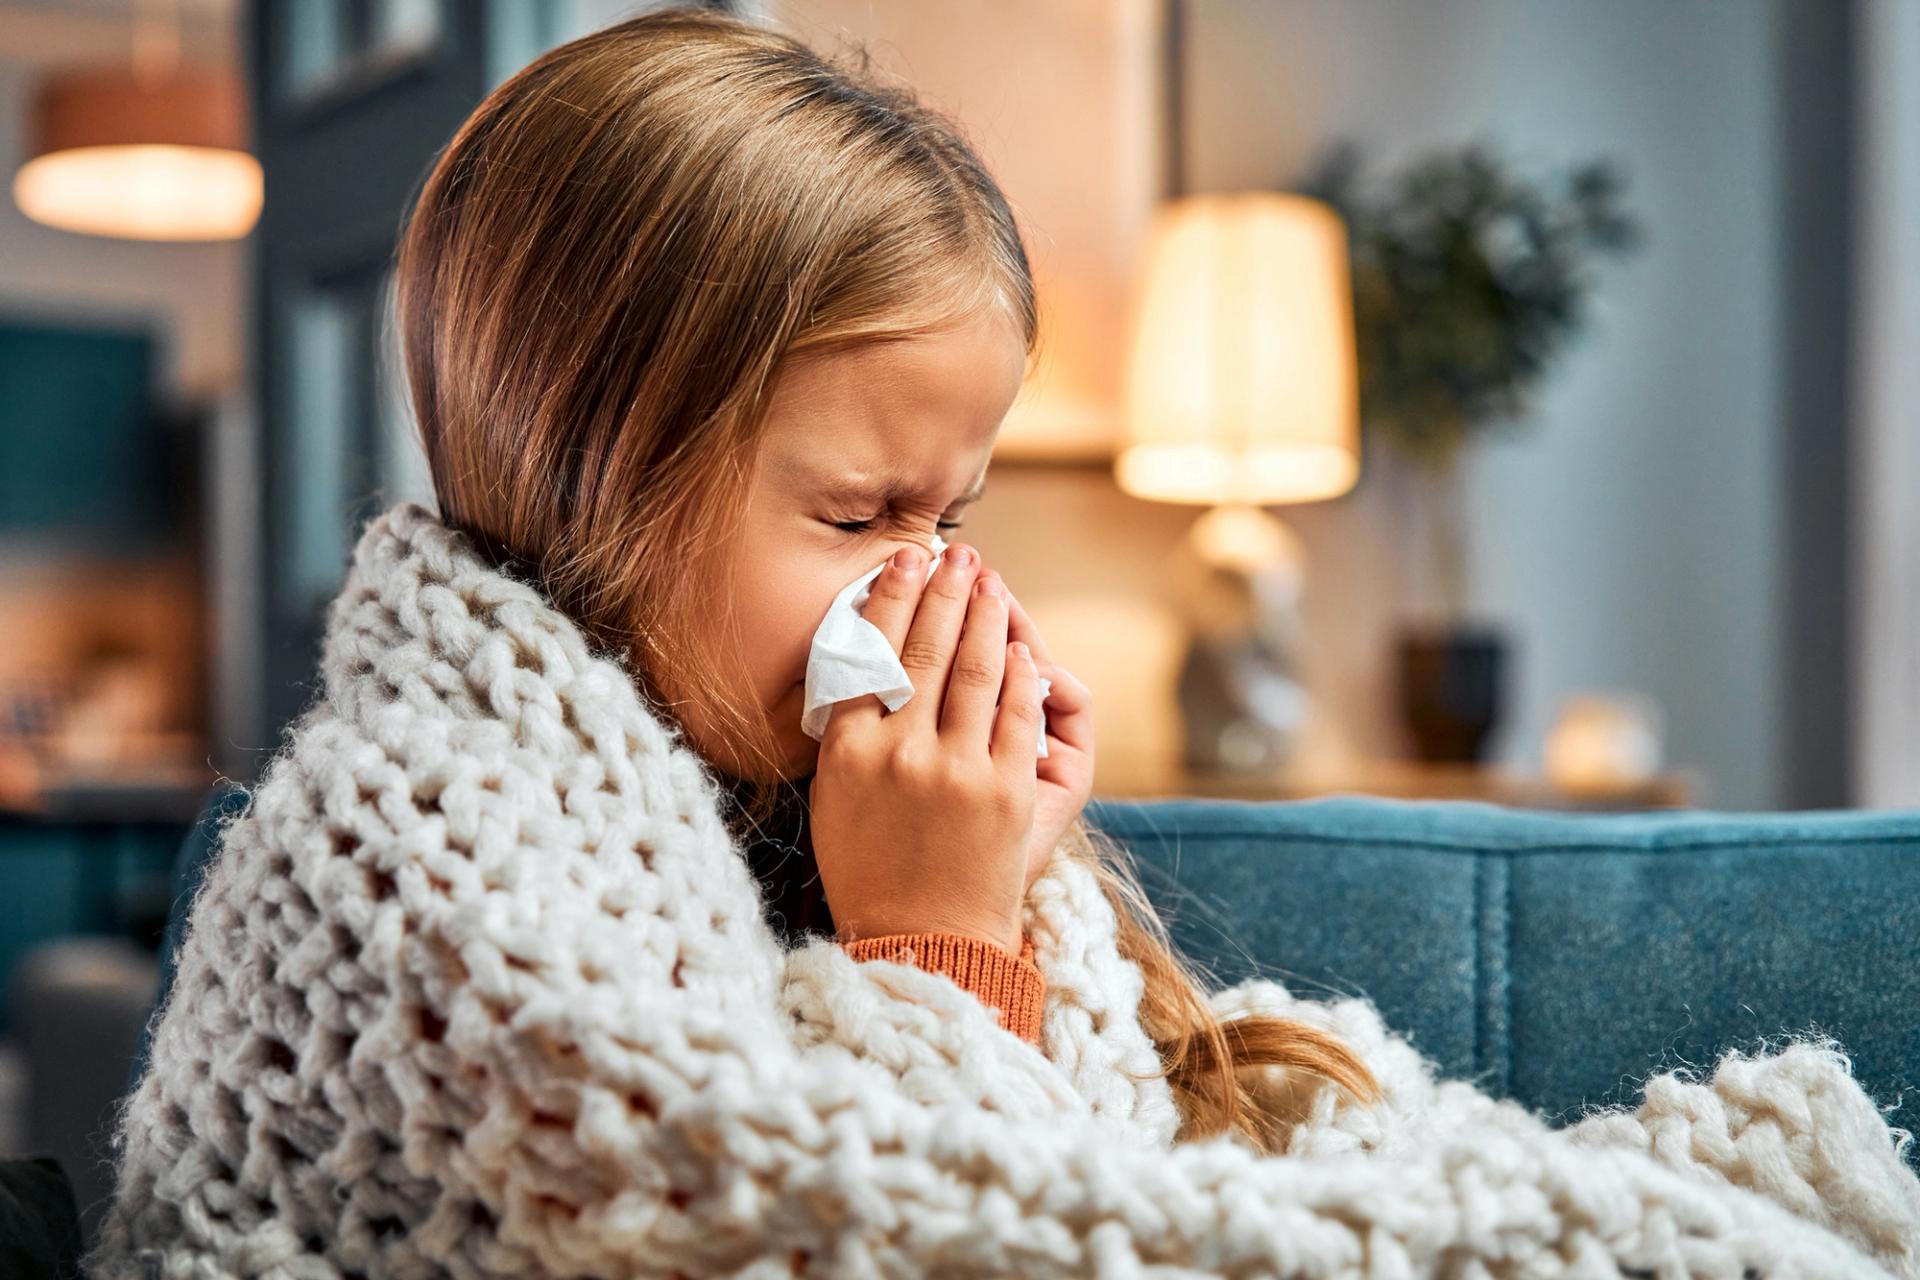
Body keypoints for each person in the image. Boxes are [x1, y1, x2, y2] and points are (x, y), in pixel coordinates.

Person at [88, 8, 1920, 1277]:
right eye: (859, 519)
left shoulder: (777, 787)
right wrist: (940, 950)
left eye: (950, 521)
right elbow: (861, 1232)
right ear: (594, 475)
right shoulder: (408, 848)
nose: (923, 591)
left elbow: (1120, 1145)